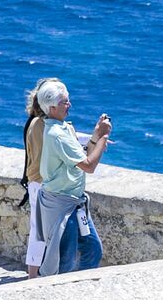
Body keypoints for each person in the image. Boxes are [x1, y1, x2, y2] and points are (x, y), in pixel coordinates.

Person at [34, 81, 111, 276]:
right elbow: (89, 166)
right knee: (64, 261)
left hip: (75, 203)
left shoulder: (64, 128)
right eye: (64, 102)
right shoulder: (57, 135)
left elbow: (84, 157)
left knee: (93, 250)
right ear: (52, 108)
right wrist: (103, 137)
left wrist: (95, 135)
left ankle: (79, 288)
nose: (69, 105)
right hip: (61, 204)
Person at [20, 80, 54, 278]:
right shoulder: (42, 125)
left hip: (35, 181)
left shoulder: (33, 122)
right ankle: (33, 275)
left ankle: (34, 273)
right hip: (42, 182)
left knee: (37, 231)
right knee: (39, 233)